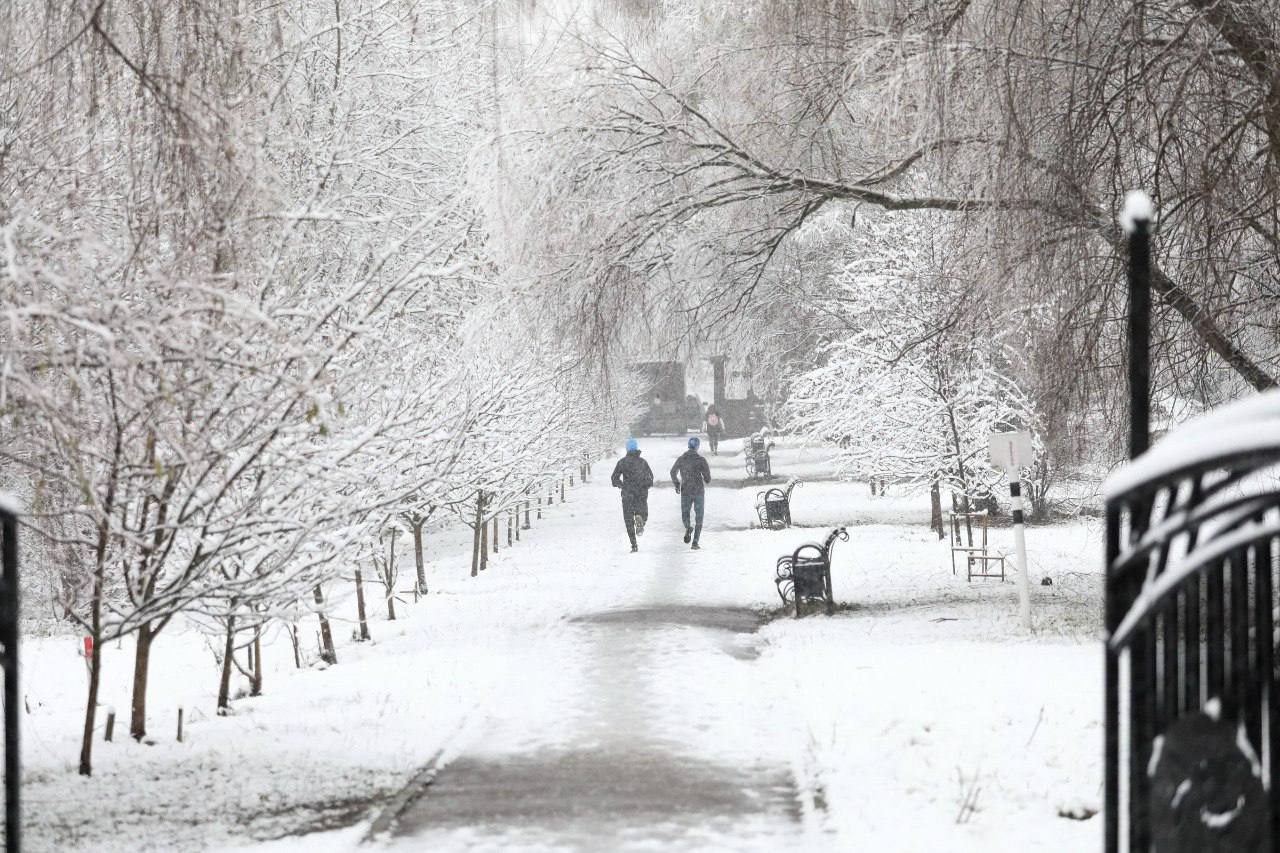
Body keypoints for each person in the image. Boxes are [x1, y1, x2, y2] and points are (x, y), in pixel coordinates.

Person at [611, 438, 654, 552]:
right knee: (643, 513)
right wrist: (645, 485)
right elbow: (651, 479)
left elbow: (614, 479)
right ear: (636, 448)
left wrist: (622, 485)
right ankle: (641, 520)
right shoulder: (643, 462)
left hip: (627, 493)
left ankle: (634, 545)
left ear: (627, 449)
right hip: (641, 493)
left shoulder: (622, 462)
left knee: (628, 519)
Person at [670, 435, 712, 550]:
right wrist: (705, 477)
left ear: (688, 446)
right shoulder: (701, 460)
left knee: (685, 513)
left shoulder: (681, 459)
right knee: (699, 517)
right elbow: (708, 479)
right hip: (698, 491)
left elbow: (673, 472)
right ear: (697, 447)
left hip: (686, 490)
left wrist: (677, 484)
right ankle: (695, 542)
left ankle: (688, 526)